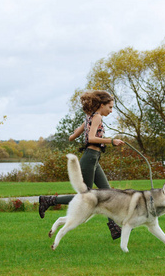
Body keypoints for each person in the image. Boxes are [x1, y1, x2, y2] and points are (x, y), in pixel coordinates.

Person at [38, 90, 125, 239]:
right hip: (90, 158)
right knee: (86, 197)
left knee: (108, 194)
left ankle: (114, 227)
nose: (111, 111)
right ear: (102, 105)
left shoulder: (89, 118)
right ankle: (49, 200)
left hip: (94, 158)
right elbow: (91, 138)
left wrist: (79, 132)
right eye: (110, 107)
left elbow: (72, 137)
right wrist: (111, 141)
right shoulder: (96, 117)